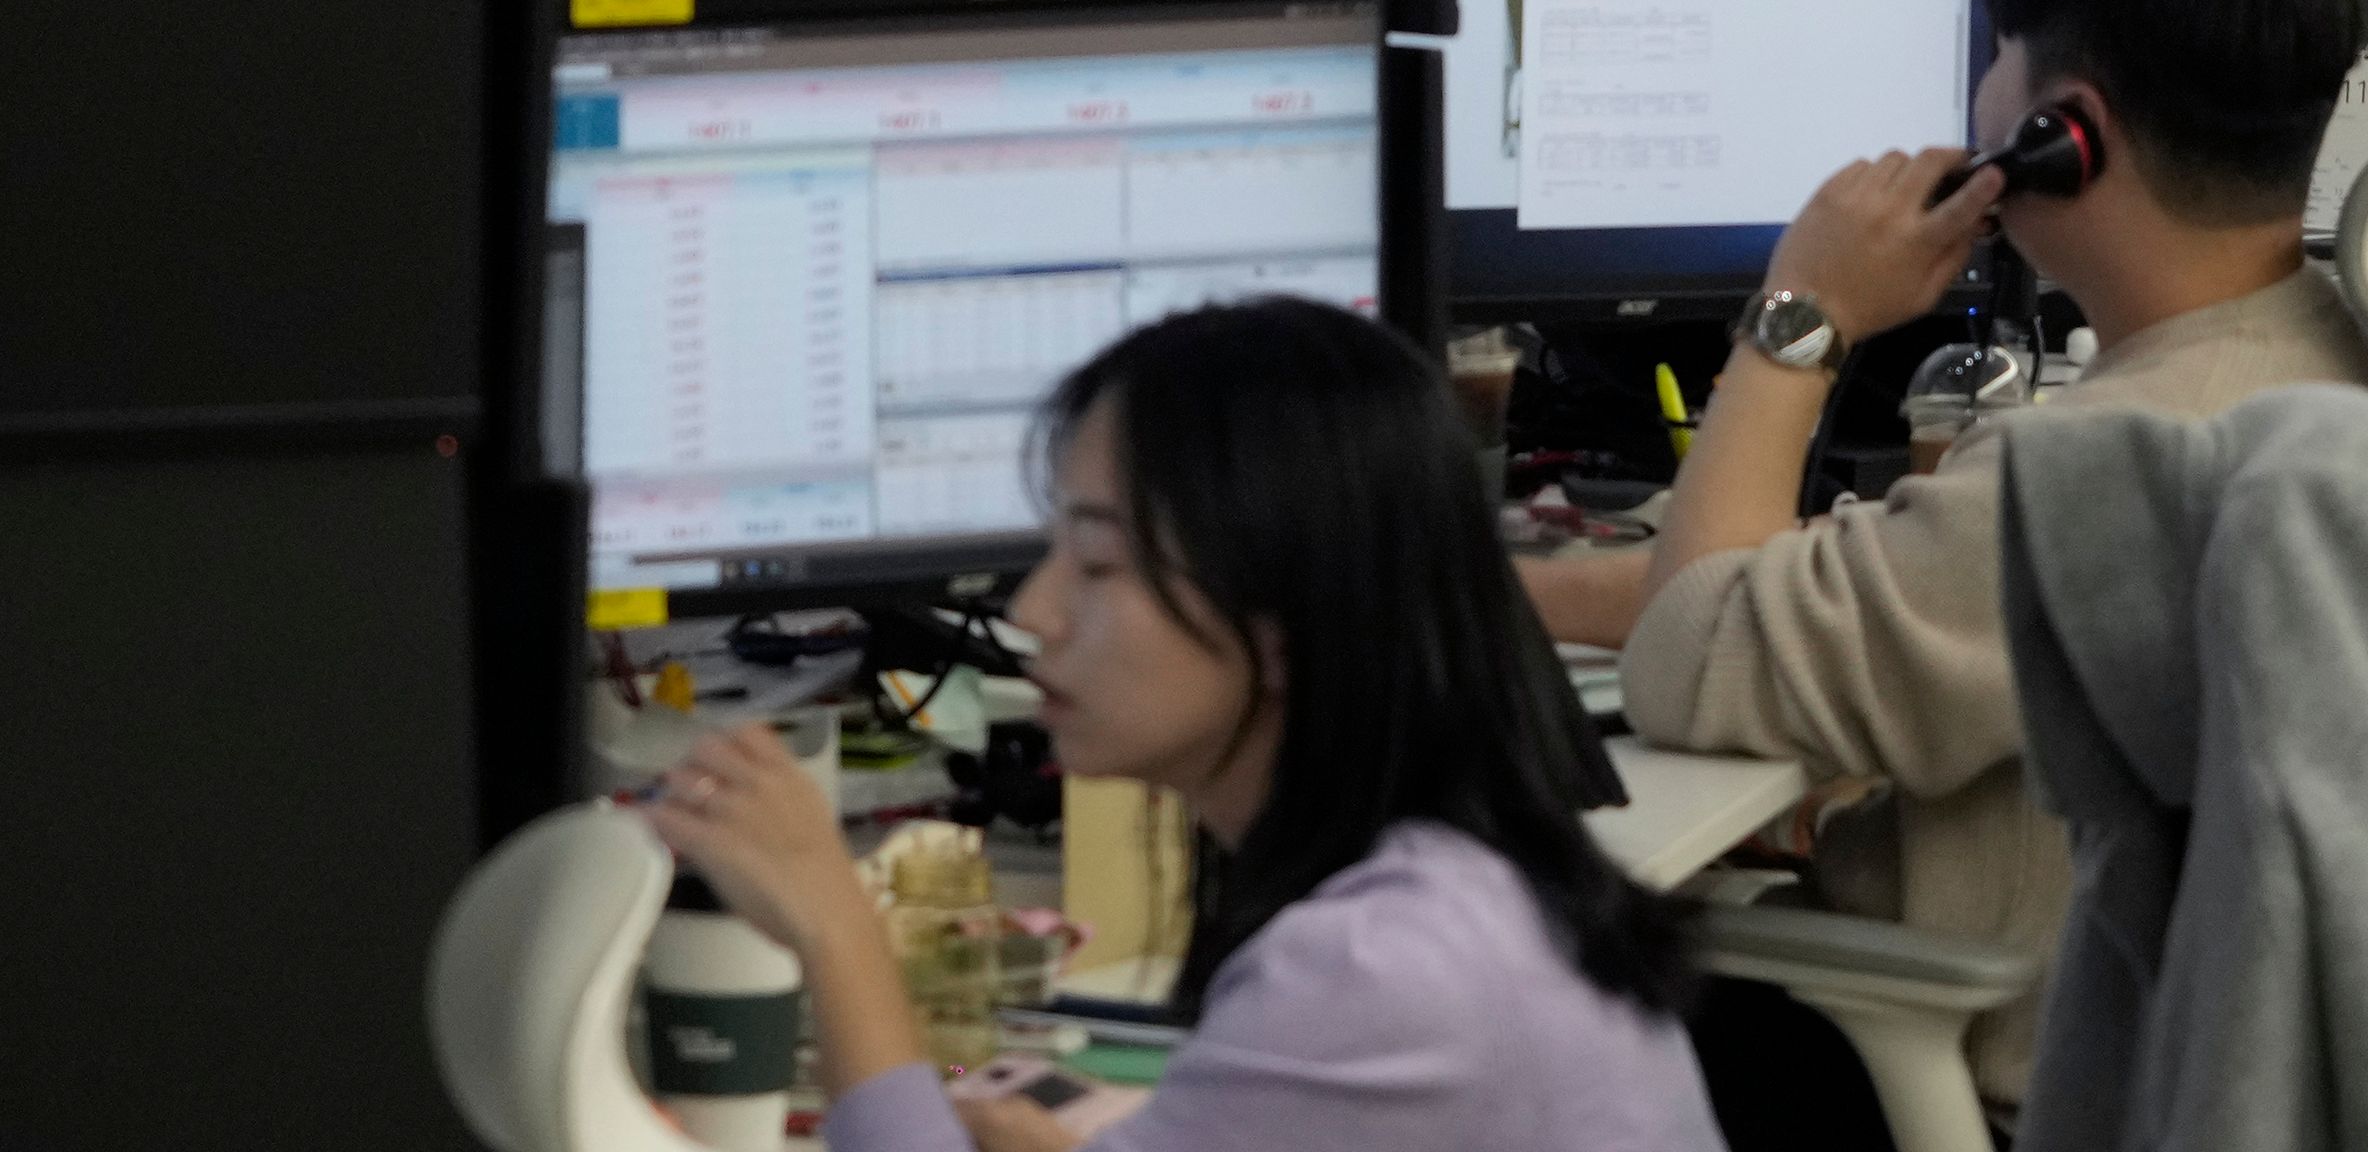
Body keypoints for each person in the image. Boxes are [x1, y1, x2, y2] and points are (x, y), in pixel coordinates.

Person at [1520, 0, 2368, 1118]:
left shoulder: (2095, 468)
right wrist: (1500, 589)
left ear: (2067, 137)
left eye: (1997, 55)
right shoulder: (2329, 363)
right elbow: (1841, 576)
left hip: (1974, 1078)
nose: (1977, 90)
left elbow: (1688, 650)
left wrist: (1806, 311)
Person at [646, 299, 1722, 1152]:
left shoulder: (1378, 969)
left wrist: (832, 923)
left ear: (1286, 620)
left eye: (1100, 565)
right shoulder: (1455, 882)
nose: (1032, 612)